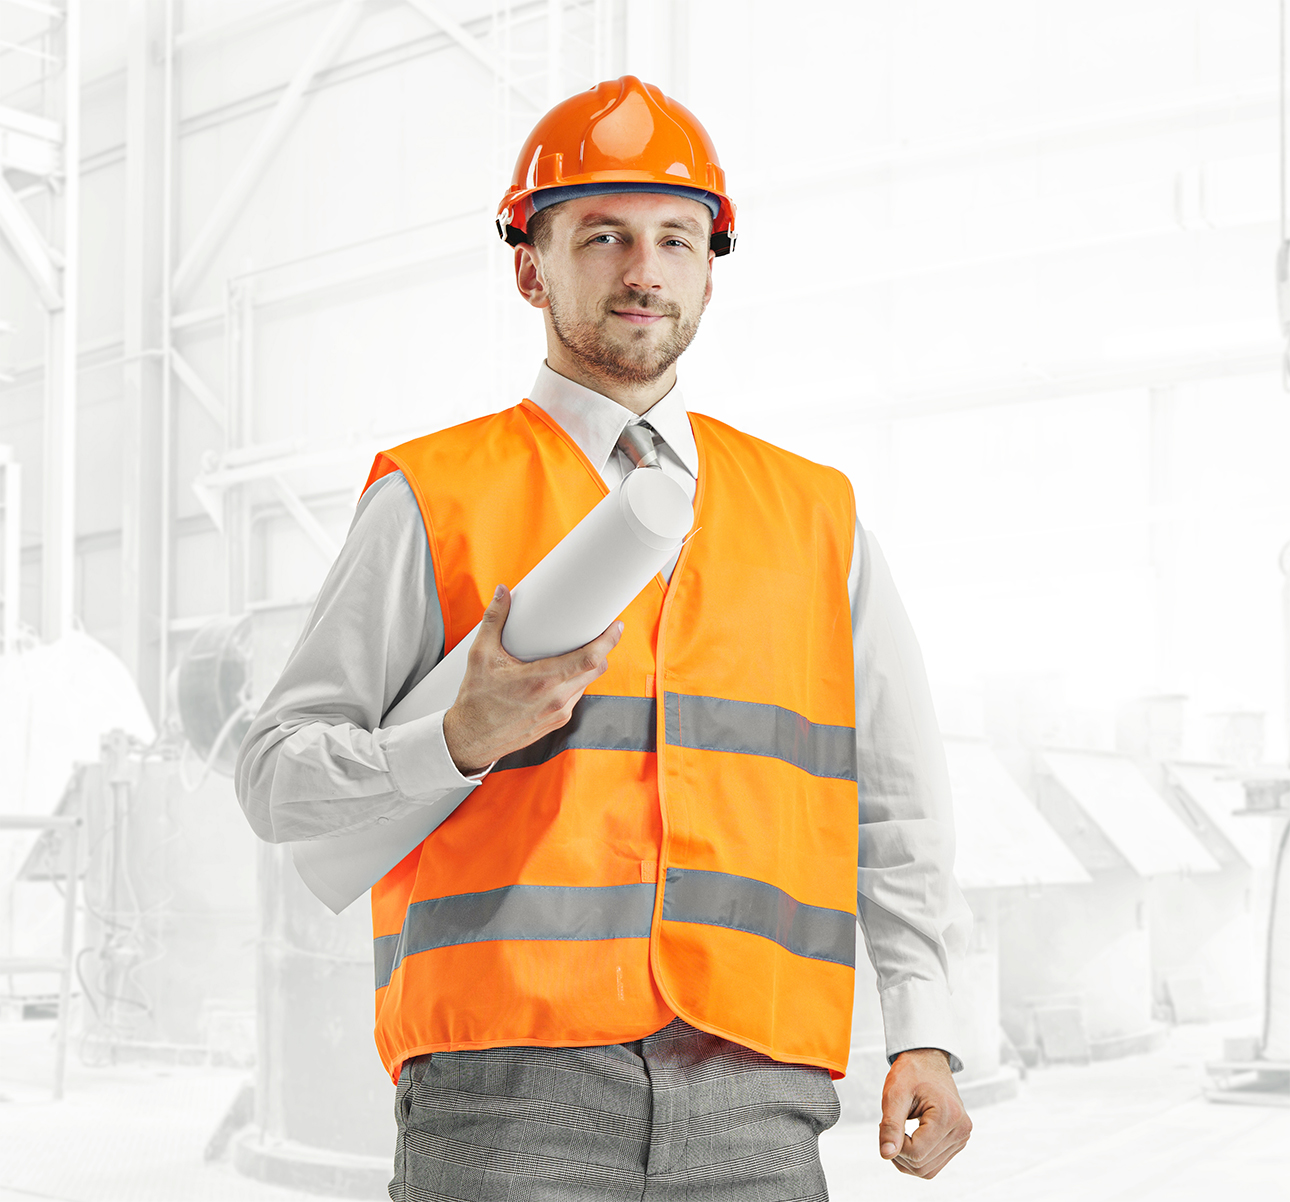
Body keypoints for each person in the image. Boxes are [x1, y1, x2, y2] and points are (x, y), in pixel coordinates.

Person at [237, 75, 974, 1201]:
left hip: (759, 1091)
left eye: (678, 238)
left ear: (711, 268)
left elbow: (898, 797)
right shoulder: (435, 495)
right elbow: (274, 779)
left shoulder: (816, 511)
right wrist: (452, 738)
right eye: (605, 236)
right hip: (503, 1095)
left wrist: (926, 1024)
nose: (645, 270)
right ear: (530, 265)